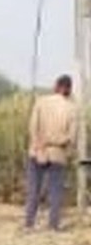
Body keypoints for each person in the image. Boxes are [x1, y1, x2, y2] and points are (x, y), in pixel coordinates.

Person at [25, 75, 78, 231]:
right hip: (58, 153)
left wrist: (38, 146)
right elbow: (72, 137)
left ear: (56, 86)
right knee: (55, 191)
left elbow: (32, 128)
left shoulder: (41, 102)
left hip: (37, 150)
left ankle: (29, 223)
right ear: (69, 89)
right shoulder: (72, 108)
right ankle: (53, 225)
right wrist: (67, 151)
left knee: (33, 189)